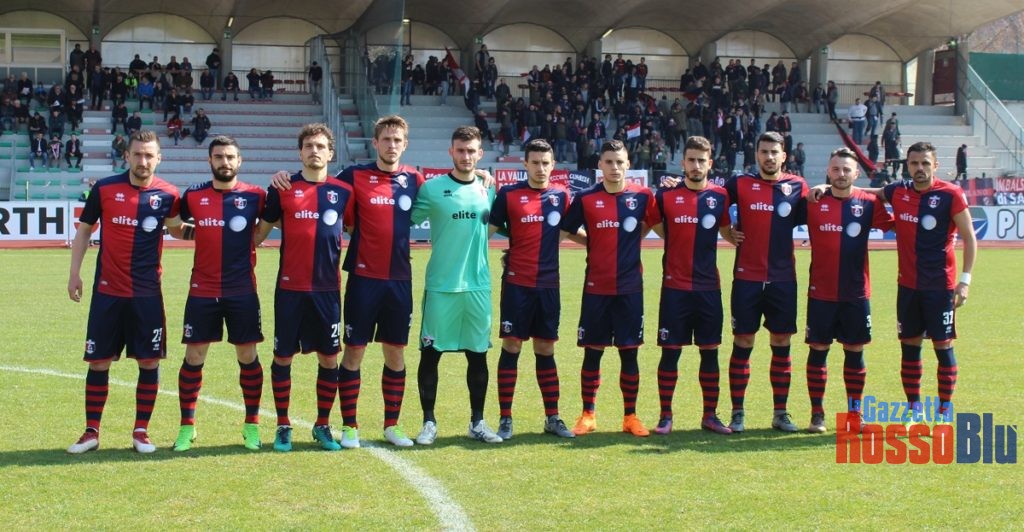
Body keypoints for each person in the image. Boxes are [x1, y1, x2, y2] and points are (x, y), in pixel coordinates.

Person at [269, 115, 426, 448]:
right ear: (375, 143)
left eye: (397, 140)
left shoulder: (415, 179)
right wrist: (283, 176)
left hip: (400, 279)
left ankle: (392, 425)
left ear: (405, 144)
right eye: (386, 139)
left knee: (396, 353)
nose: (392, 145)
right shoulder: (353, 177)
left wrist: (483, 178)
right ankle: (349, 426)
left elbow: (448, 193)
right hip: (362, 280)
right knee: (353, 351)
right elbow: (321, 196)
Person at [66, 130, 184, 454]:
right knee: (98, 362)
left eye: (149, 155)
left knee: (148, 362)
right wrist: (74, 273)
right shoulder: (105, 189)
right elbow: (84, 230)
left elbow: (177, 230)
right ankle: (91, 432)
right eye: (138, 154)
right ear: (127, 156)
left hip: (147, 295)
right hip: (108, 292)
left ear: (159, 158)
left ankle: (141, 432)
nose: (143, 161)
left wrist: (220, 230)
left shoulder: (169, 194)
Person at [254, 123, 354, 452]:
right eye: (309, 146)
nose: (314, 151)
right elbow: (258, 235)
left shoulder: (343, 191)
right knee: (283, 357)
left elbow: (358, 231)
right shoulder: (282, 188)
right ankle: (283, 425)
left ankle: (322, 424)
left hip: (327, 291)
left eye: (320, 146)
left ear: (330, 153)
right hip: (290, 289)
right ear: (300, 153)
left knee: (329, 358)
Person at [165, 136, 268, 451]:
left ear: (240, 161)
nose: (225, 162)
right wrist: (203, 233)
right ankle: (187, 428)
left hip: (242, 290)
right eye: (219, 157)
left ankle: (252, 426)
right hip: (202, 289)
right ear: (210, 160)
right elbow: (175, 227)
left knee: (247, 356)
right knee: (194, 357)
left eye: (230, 157)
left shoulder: (256, 196)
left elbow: (263, 230)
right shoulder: (194, 195)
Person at [560, 139, 659, 437]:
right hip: (596, 287)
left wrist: (634, 237)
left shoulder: (643, 196)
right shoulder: (586, 198)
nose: (615, 167)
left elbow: (655, 224)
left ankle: (630, 416)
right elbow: (566, 229)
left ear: (628, 164)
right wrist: (591, 241)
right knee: (593, 352)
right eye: (609, 162)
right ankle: (588, 414)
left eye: (619, 162)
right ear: (599, 165)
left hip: (630, 288)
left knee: (629, 354)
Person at [410, 126, 501, 444]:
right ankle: (428, 423)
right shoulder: (432, 189)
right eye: (460, 150)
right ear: (451, 152)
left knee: (478, 355)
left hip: (478, 287)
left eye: (471, 150)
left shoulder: (489, 188)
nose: (466, 156)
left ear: (480, 154)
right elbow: (401, 221)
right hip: (441, 287)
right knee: (430, 354)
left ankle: (478, 422)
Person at [487, 139, 579, 440]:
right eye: (535, 163)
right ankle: (505, 418)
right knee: (512, 346)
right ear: (525, 164)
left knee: (545, 348)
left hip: (549, 284)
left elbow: (571, 231)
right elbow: (485, 231)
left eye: (545, 163)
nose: (540, 168)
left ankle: (552, 417)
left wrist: (608, 243)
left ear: (553, 166)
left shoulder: (562, 196)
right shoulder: (509, 195)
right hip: (517, 283)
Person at [803, 148, 893, 433]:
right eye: (836, 169)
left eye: (846, 170)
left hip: (856, 293)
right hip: (821, 292)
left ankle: (855, 415)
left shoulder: (868, 203)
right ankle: (817, 415)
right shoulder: (813, 201)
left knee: (854, 350)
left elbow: (898, 226)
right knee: (818, 349)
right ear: (828, 172)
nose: (841, 174)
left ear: (856, 173)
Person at [648, 136, 735, 435]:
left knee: (709, 353)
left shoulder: (720, 196)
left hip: (708, 288)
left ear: (710, 163)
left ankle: (710, 415)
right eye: (691, 160)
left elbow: (728, 231)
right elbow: (660, 229)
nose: (696, 165)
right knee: (670, 353)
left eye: (701, 160)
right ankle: (665, 416)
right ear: (683, 162)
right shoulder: (666, 196)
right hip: (674, 289)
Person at [723, 131, 808, 433]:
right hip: (746, 278)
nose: (769, 157)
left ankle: (780, 413)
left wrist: (824, 187)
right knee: (743, 341)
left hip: (783, 279)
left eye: (775, 152)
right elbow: (708, 200)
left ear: (784, 156)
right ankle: (737, 413)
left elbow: (823, 205)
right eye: (764, 152)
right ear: (756, 155)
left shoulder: (798, 186)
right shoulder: (739, 184)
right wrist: (727, 233)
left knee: (781, 342)